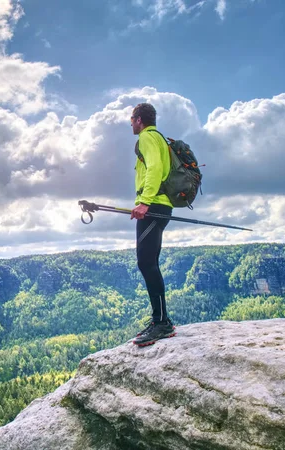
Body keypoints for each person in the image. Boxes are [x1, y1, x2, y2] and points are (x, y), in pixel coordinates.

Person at [129, 103, 176, 346]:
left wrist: (144, 202)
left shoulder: (147, 138)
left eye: (131, 119)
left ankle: (161, 323)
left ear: (139, 120)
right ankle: (161, 320)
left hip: (154, 205)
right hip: (162, 205)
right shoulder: (160, 139)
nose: (131, 123)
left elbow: (155, 169)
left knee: (146, 262)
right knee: (150, 262)